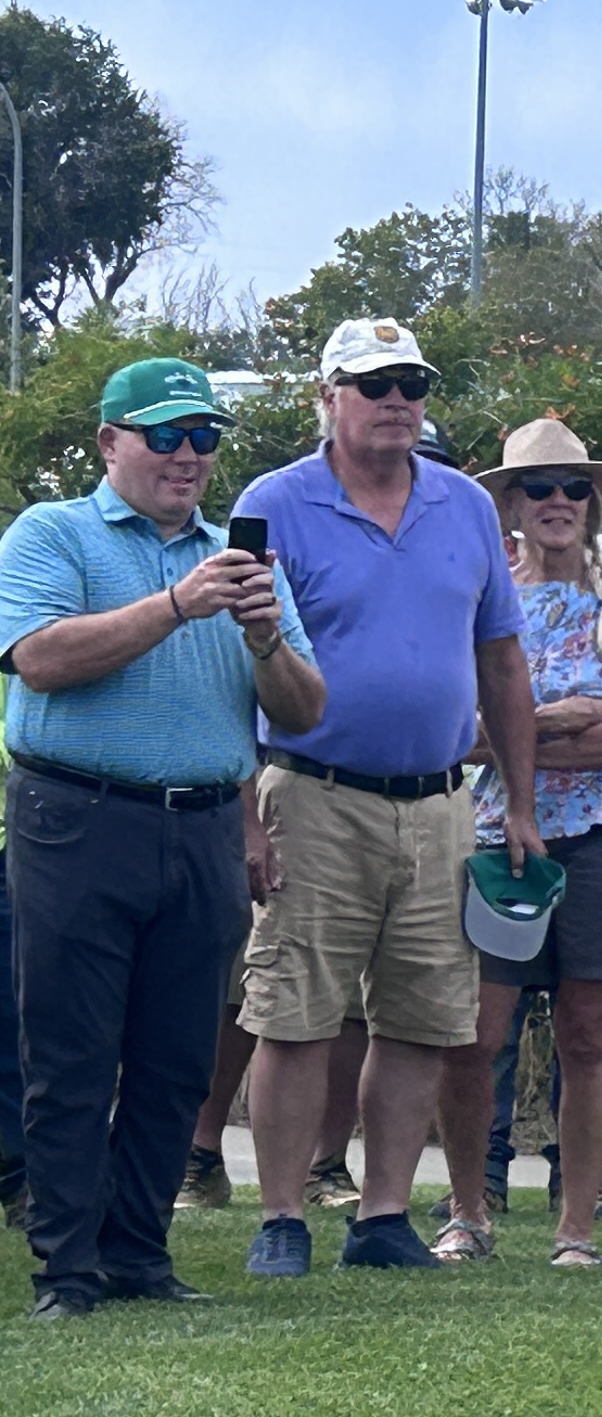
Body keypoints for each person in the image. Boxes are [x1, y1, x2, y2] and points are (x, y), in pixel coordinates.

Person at [0, 357, 323, 1314]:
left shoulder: (243, 562)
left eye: (207, 438)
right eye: (167, 436)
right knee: (70, 1051)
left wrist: (264, 637)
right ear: (110, 442)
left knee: (177, 1053)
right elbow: (42, 660)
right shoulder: (52, 533)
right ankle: (68, 1265)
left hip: (203, 826)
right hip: (77, 817)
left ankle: (139, 1254)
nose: (190, 457)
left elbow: (303, 712)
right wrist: (180, 604)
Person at [233, 318, 540, 1278]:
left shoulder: (464, 504)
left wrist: (519, 805)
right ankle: (283, 1215)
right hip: (314, 791)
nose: (398, 399)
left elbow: (500, 658)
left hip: (446, 799)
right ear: (328, 397)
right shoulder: (273, 502)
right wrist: (247, 814)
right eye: (374, 384)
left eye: (411, 381)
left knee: (420, 1016)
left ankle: (383, 1216)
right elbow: (230, 664)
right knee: (296, 1013)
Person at [434, 423, 602, 1268]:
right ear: (508, 503)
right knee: (474, 1033)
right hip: (499, 835)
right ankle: (468, 1213)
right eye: (539, 487)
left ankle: (576, 1229)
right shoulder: (474, 593)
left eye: (575, 485)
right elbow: (447, 737)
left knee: (588, 1033)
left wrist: (508, 734)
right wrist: (550, 721)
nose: (559, 502)